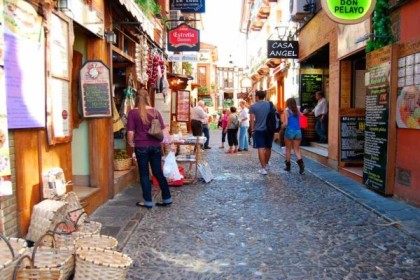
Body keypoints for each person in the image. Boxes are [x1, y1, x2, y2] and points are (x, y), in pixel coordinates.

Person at [127, 92, 172, 209]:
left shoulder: (133, 112)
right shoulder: (155, 112)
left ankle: (148, 201)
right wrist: (169, 143)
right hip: (155, 146)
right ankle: (167, 198)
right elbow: (164, 129)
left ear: (136, 99)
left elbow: (130, 132)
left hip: (141, 146)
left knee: (144, 174)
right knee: (158, 172)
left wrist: (131, 142)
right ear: (147, 98)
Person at [249, 90, 273, 175]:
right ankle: (266, 163)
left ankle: (263, 168)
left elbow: (252, 119)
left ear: (257, 96)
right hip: (269, 129)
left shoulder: (253, 106)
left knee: (261, 148)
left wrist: (252, 129)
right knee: (268, 147)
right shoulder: (269, 104)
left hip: (258, 130)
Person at [282, 97, 305, 174]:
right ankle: (301, 166)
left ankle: (288, 166)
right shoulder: (298, 110)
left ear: (287, 103)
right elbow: (302, 117)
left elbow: (286, 123)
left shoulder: (286, 111)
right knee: (296, 149)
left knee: (288, 149)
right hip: (298, 131)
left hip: (289, 131)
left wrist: (280, 128)